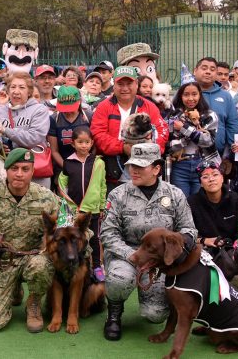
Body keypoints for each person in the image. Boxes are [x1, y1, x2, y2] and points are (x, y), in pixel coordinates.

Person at [100, 143, 197, 341]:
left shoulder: (174, 194)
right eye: (131, 165)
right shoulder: (118, 194)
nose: (133, 171)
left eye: (140, 166)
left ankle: (151, 303)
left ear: (156, 169)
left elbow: (189, 230)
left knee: (155, 315)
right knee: (120, 280)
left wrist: (176, 248)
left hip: (158, 261)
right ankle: (114, 314)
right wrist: (131, 255)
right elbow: (107, 233)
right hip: (125, 254)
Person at [0, 148, 59, 332]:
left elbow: (69, 225)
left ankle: (33, 303)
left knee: (42, 266)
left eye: (25, 169)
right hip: (2, 262)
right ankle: (14, 291)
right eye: (14, 168)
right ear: (6, 170)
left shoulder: (46, 197)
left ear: (33, 172)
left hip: (32, 259)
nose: (19, 174)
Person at [91, 66, 168, 193]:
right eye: (120, 84)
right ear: (113, 85)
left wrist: (146, 150)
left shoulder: (149, 106)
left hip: (146, 174)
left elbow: (162, 132)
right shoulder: (103, 107)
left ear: (137, 84)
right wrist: (122, 148)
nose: (125, 88)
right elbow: (98, 135)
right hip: (113, 175)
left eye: (129, 83)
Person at [57, 127, 107, 281]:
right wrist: (68, 204)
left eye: (87, 142)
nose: (84, 145)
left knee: (95, 239)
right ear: (73, 144)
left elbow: (102, 185)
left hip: (93, 210)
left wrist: (102, 205)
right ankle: (78, 264)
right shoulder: (68, 162)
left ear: (92, 143)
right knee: (75, 238)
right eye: (80, 142)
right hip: (74, 211)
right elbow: (61, 183)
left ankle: (97, 266)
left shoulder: (98, 163)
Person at [0, 72, 52, 188]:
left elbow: (33, 138)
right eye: (13, 87)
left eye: (22, 87)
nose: (16, 91)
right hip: (8, 171)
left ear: (29, 91)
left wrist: (6, 130)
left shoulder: (39, 110)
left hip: (35, 171)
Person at [166, 81, 220, 196]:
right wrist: (191, 135)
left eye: (194, 94)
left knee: (201, 204)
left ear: (200, 95)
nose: (190, 98)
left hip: (203, 163)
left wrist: (184, 128)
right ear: (180, 96)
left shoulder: (209, 116)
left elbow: (208, 141)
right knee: (181, 202)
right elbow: (168, 144)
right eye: (186, 95)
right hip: (179, 165)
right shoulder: (173, 116)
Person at [192, 57, 238, 160]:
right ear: (195, 71)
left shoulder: (226, 96)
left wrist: (229, 154)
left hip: (217, 156)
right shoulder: (185, 93)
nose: (208, 72)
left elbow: (232, 124)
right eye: (204, 68)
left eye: (212, 69)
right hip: (189, 156)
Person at [48, 86, 92, 180]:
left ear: (79, 101)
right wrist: (67, 167)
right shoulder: (54, 119)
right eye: (65, 108)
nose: (68, 111)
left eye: (71, 108)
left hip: (87, 165)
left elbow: (94, 144)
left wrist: (88, 164)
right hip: (62, 166)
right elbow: (54, 150)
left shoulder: (88, 116)